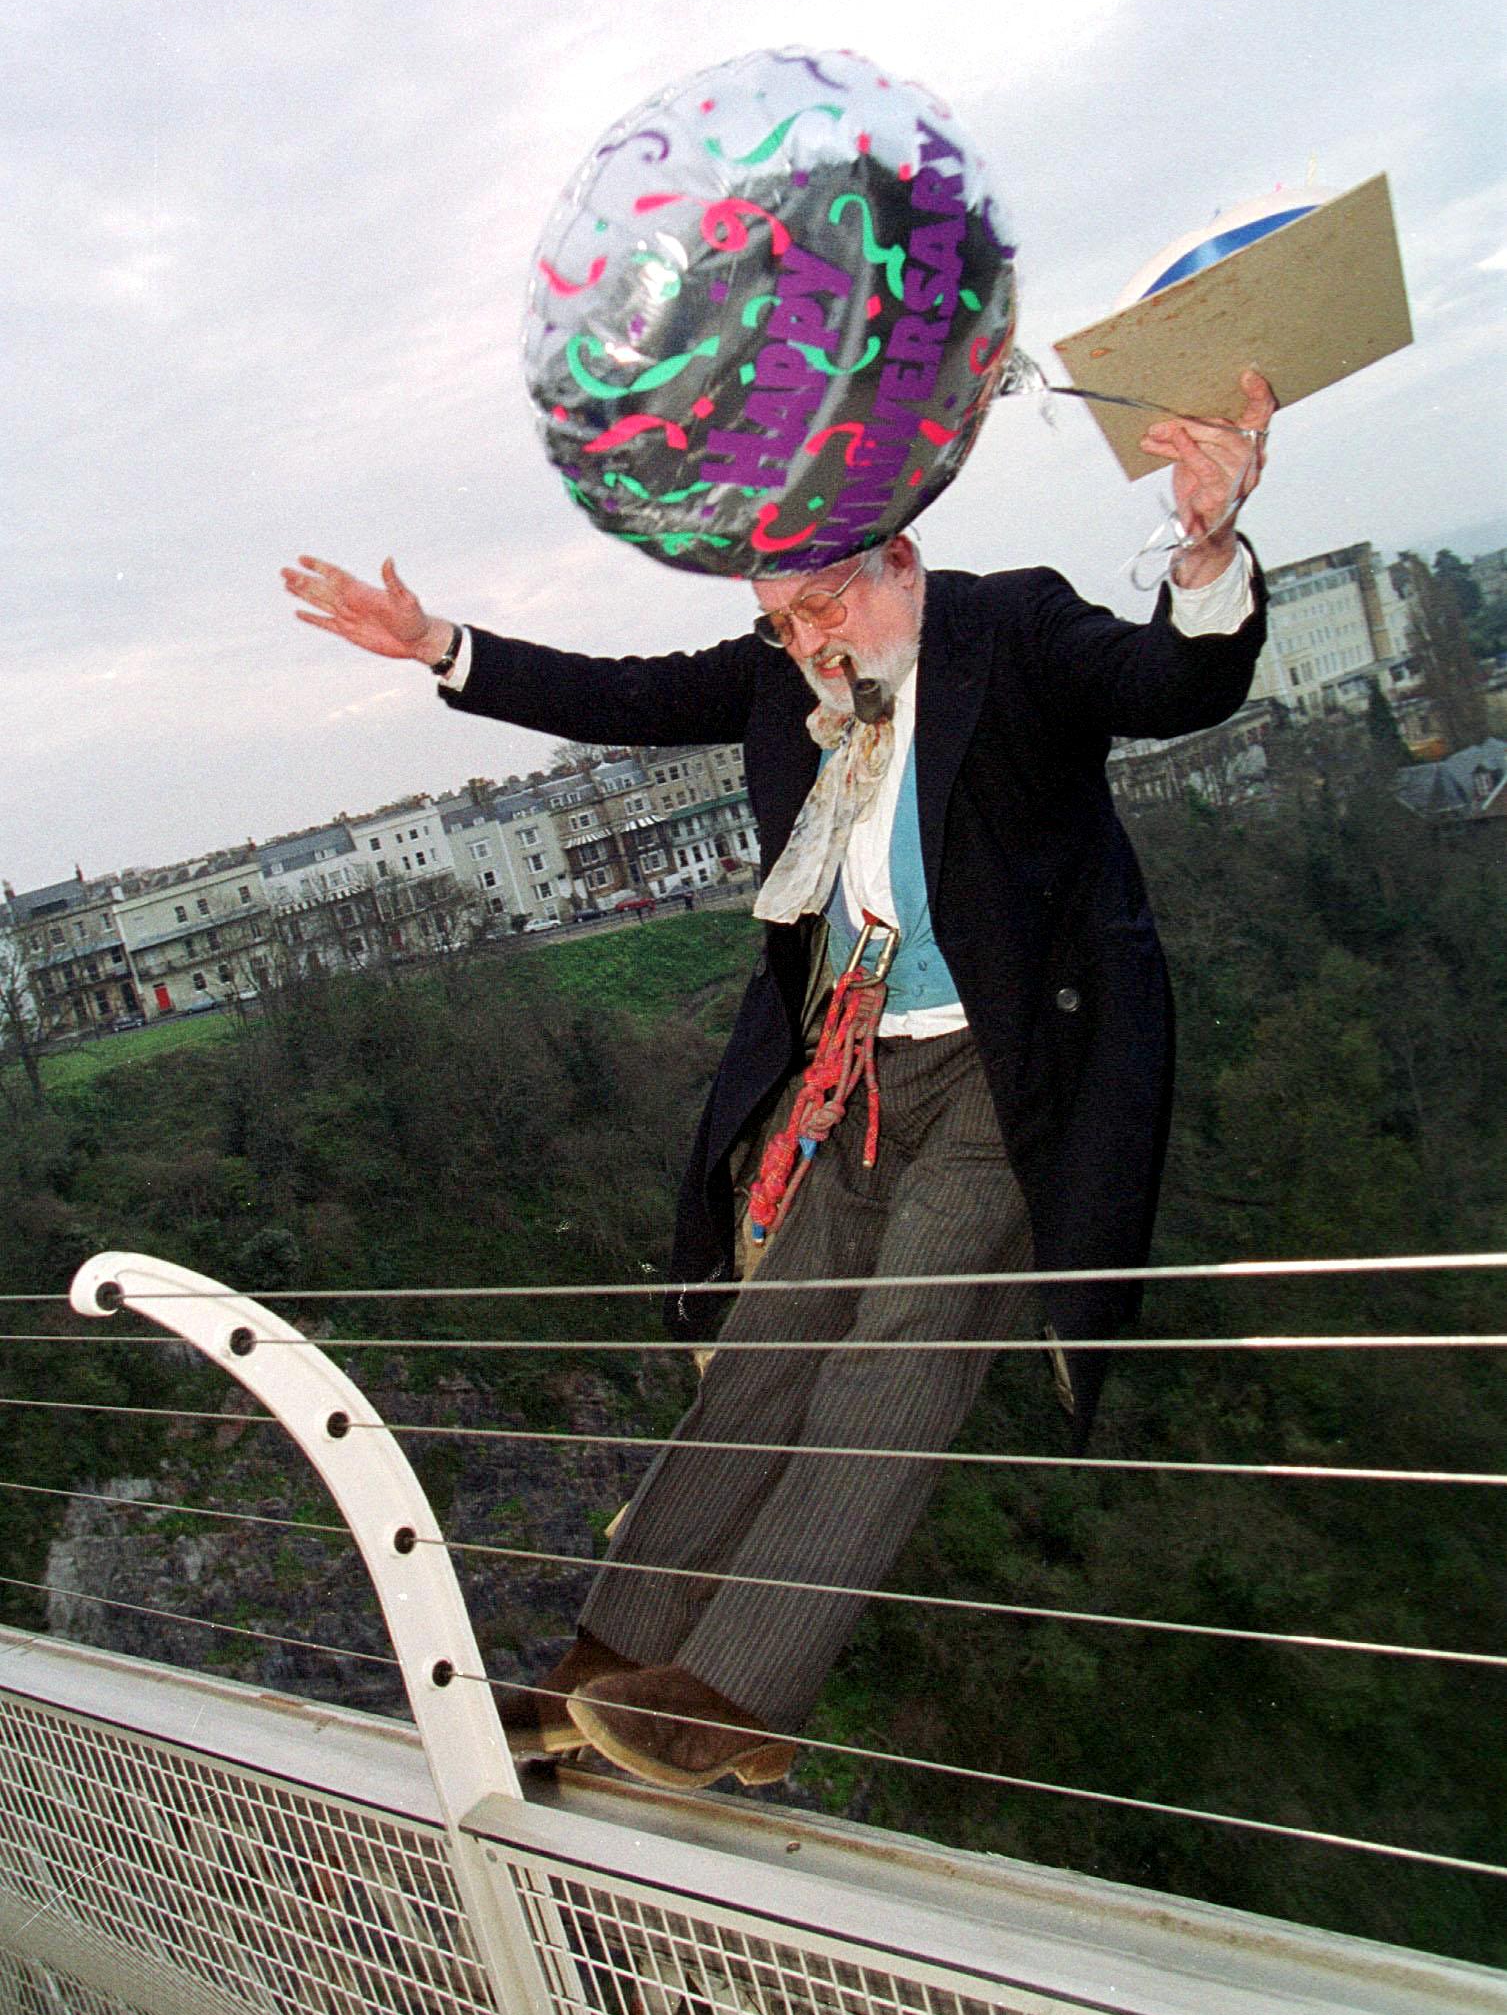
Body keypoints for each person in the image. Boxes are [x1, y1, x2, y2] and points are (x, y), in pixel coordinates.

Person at [282, 371, 1275, 1792]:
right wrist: (439, 643)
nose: (811, 641)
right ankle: (604, 1677)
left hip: (1013, 1077)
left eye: (830, 605)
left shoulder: (1016, 624)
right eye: (784, 621)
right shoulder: (777, 677)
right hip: (859, 1077)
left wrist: (1207, 550)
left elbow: (1176, 684)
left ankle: (737, 1695)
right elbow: (613, 699)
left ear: (903, 564)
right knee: (765, 1361)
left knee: (890, 1361)